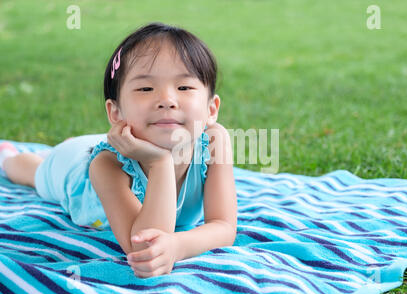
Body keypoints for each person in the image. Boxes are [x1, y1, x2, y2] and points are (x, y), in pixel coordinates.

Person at [0, 22, 237, 278]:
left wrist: (177, 246)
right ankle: (11, 156)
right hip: (72, 170)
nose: (167, 100)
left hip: (122, 140)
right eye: (146, 88)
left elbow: (223, 225)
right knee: (33, 171)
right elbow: (144, 245)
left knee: (75, 147)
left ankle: (72, 143)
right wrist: (160, 162)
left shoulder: (214, 141)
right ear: (115, 112)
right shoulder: (106, 165)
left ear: (211, 109)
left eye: (184, 87)